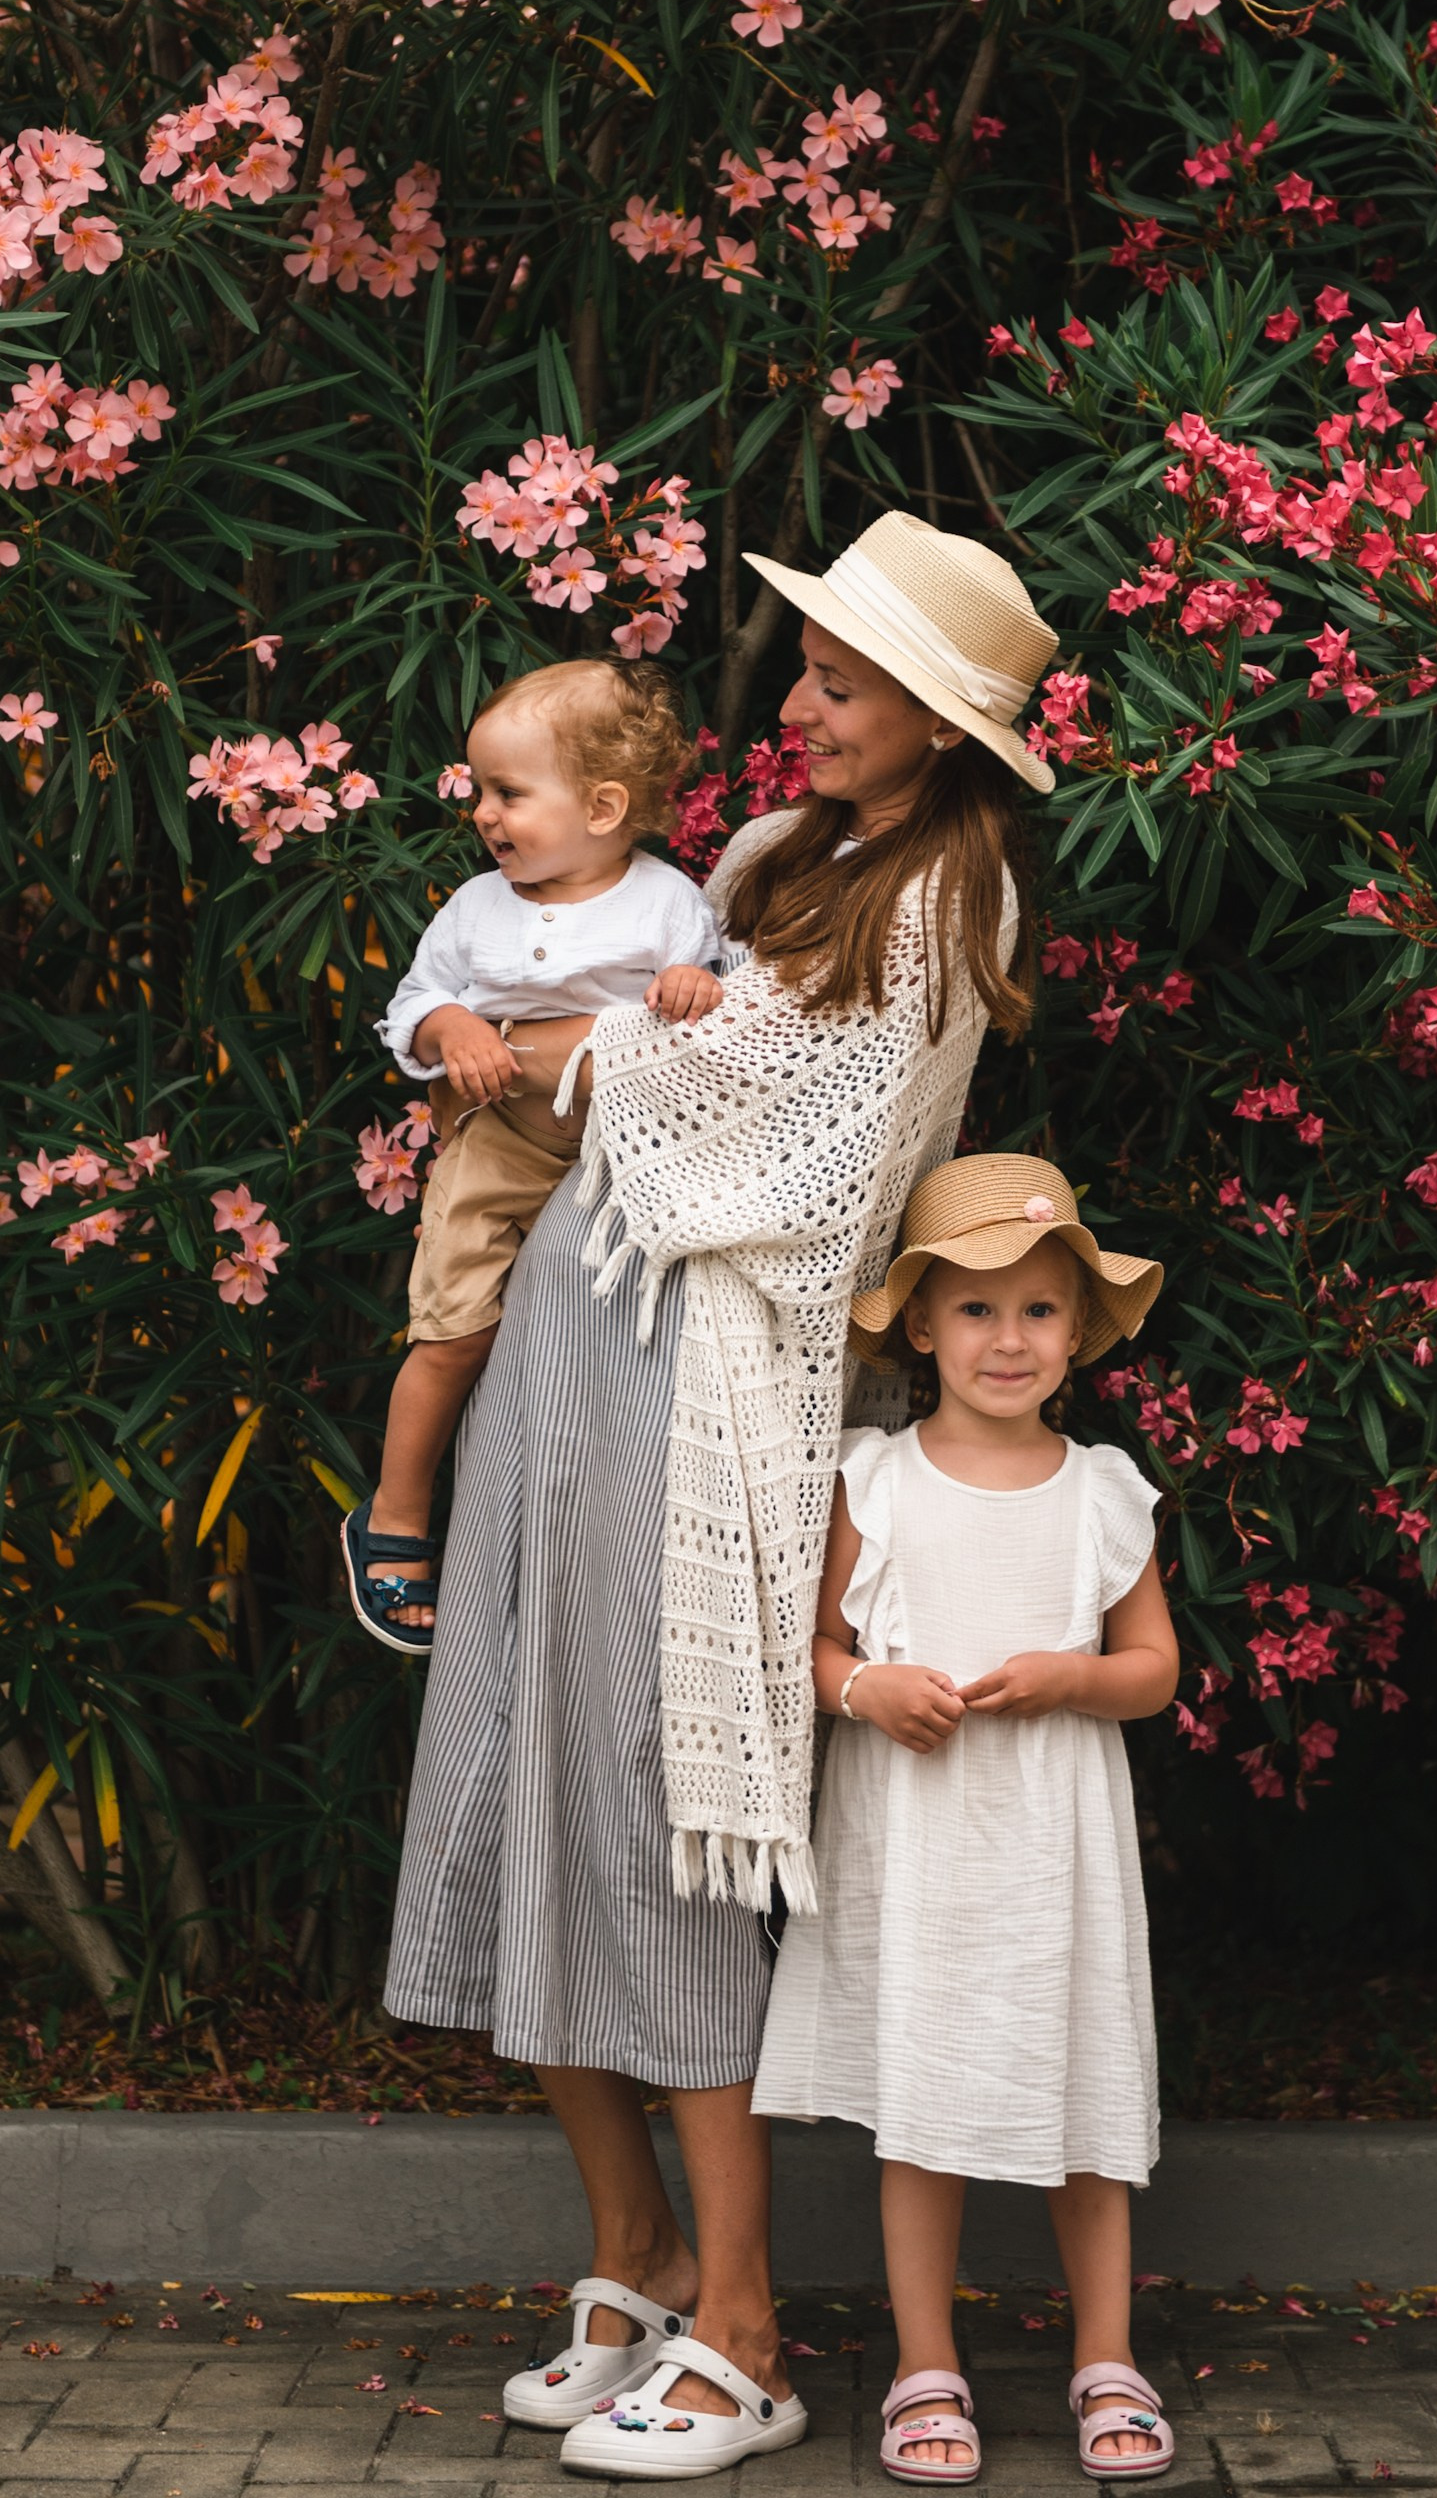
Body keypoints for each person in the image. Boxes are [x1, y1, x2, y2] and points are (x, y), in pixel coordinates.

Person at [381, 513, 1060, 2482]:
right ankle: (640, 2255)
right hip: (564, 1349)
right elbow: (590, 1072)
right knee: (515, 1773)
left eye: (845, 682)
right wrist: (546, 1059)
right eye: (812, 669)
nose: (804, 703)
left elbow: (775, 1140)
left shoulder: (948, 903)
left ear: (938, 721)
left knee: (658, 1826)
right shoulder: (763, 862)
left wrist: (549, 1058)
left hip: (710, 1404)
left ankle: (749, 2332)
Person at [751, 1154, 1178, 2485]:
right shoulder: (870, 1480)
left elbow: (1155, 1670)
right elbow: (812, 1653)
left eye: (1039, 1310)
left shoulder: (1100, 1491)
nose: (1009, 1338)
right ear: (922, 1325)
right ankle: (926, 2364)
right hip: (921, 1844)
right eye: (978, 1310)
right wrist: (869, 1687)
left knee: (1085, 2091)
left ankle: (1106, 2356)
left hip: (1057, 1843)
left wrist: (1071, 1677)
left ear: (1076, 1333)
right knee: (924, 2100)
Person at [343, 662, 725, 1651]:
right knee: (455, 1328)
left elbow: (716, 1008)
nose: (484, 814)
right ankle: (394, 1512)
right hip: (501, 1138)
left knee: (604, 1349)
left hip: (621, 1150)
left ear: (602, 806)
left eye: (510, 793)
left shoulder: (668, 905)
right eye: (479, 791)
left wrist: (690, 982)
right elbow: (411, 1009)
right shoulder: (478, 907)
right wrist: (455, 1026)